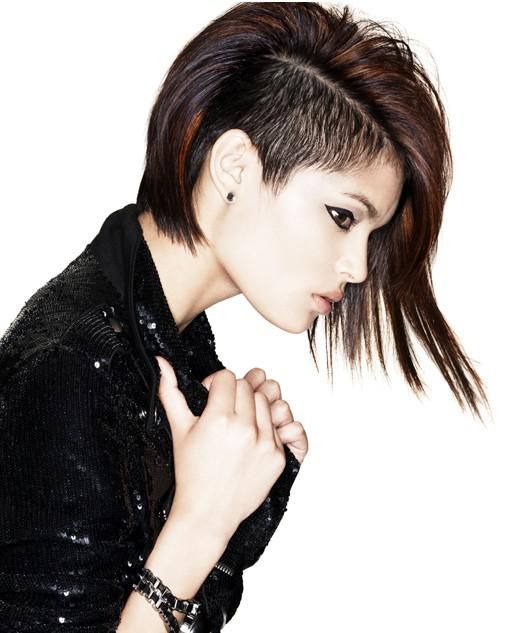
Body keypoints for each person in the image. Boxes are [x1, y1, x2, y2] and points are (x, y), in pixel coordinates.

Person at [0, 2, 490, 632]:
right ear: (235, 167)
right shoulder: (71, 370)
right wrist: (202, 520)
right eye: (343, 216)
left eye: (371, 235)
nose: (358, 268)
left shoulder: (174, 351)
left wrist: (237, 505)